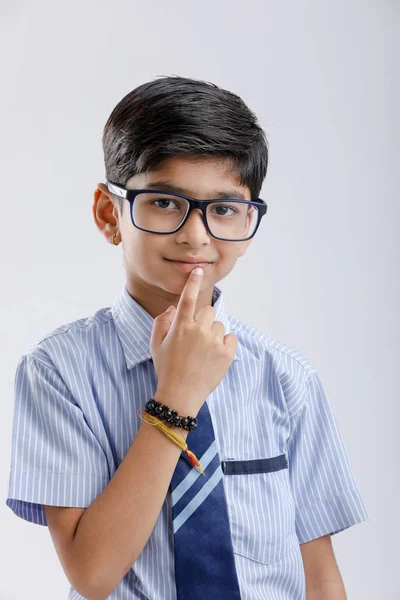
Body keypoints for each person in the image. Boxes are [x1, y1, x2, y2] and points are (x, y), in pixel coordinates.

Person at [5, 75, 368, 600]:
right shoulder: (58, 372)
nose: (195, 235)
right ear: (111, 214)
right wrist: (176, 395)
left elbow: (319, 573)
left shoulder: (287, 378)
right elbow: (92, 573)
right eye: (165, 202)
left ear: (248, 223)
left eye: (223, 209)